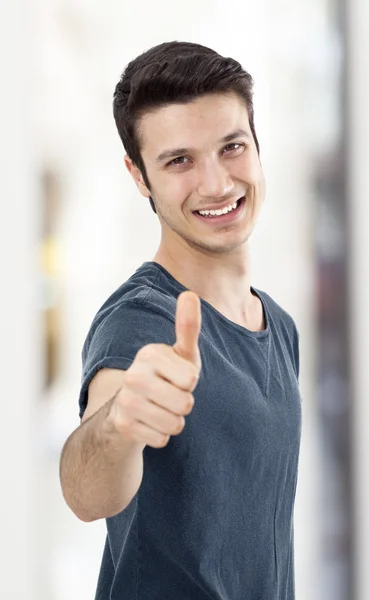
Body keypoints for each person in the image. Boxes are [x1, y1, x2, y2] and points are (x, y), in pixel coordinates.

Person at [59, 41, 302, 600]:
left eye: (232, 147)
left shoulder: (279, 326)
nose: (216, 184)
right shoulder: (141, 319)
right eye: (179, 161)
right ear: (140, 176)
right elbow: (85, 492)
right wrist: (121, 420)